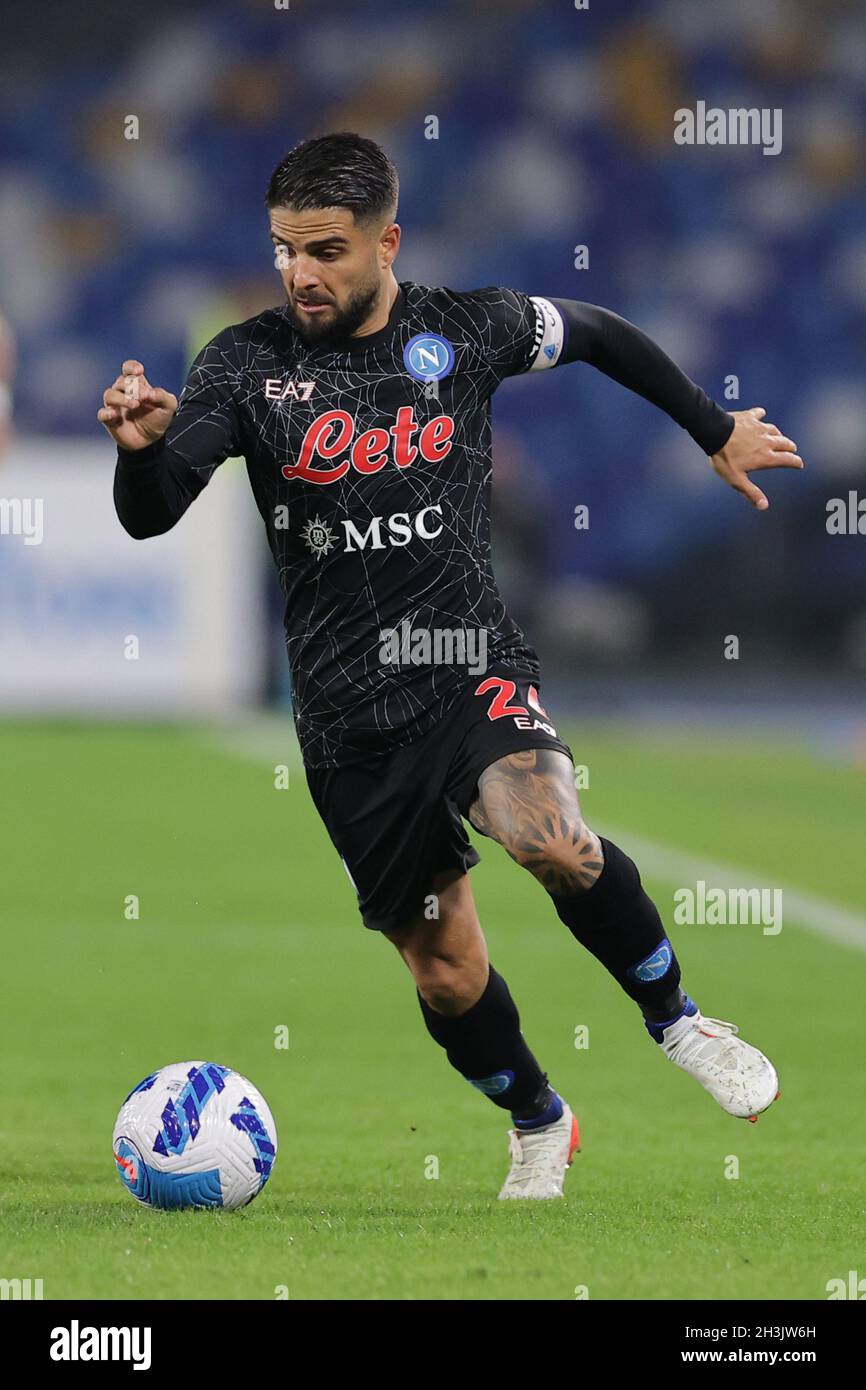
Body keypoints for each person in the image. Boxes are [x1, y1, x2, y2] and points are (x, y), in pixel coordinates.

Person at [101, 132, 802, 1199]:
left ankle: (677, 1020)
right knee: (444, 969)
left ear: (386, 240)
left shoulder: (465, 329)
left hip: (463, 659)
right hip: (342, 715)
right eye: (285, 250)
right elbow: (152, 519)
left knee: (549, 837)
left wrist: (710, 429)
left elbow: (600, 332)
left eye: (326, 250)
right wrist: (142, 452)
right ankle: (537, 1117)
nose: (300, 273)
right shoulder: (244, 363)